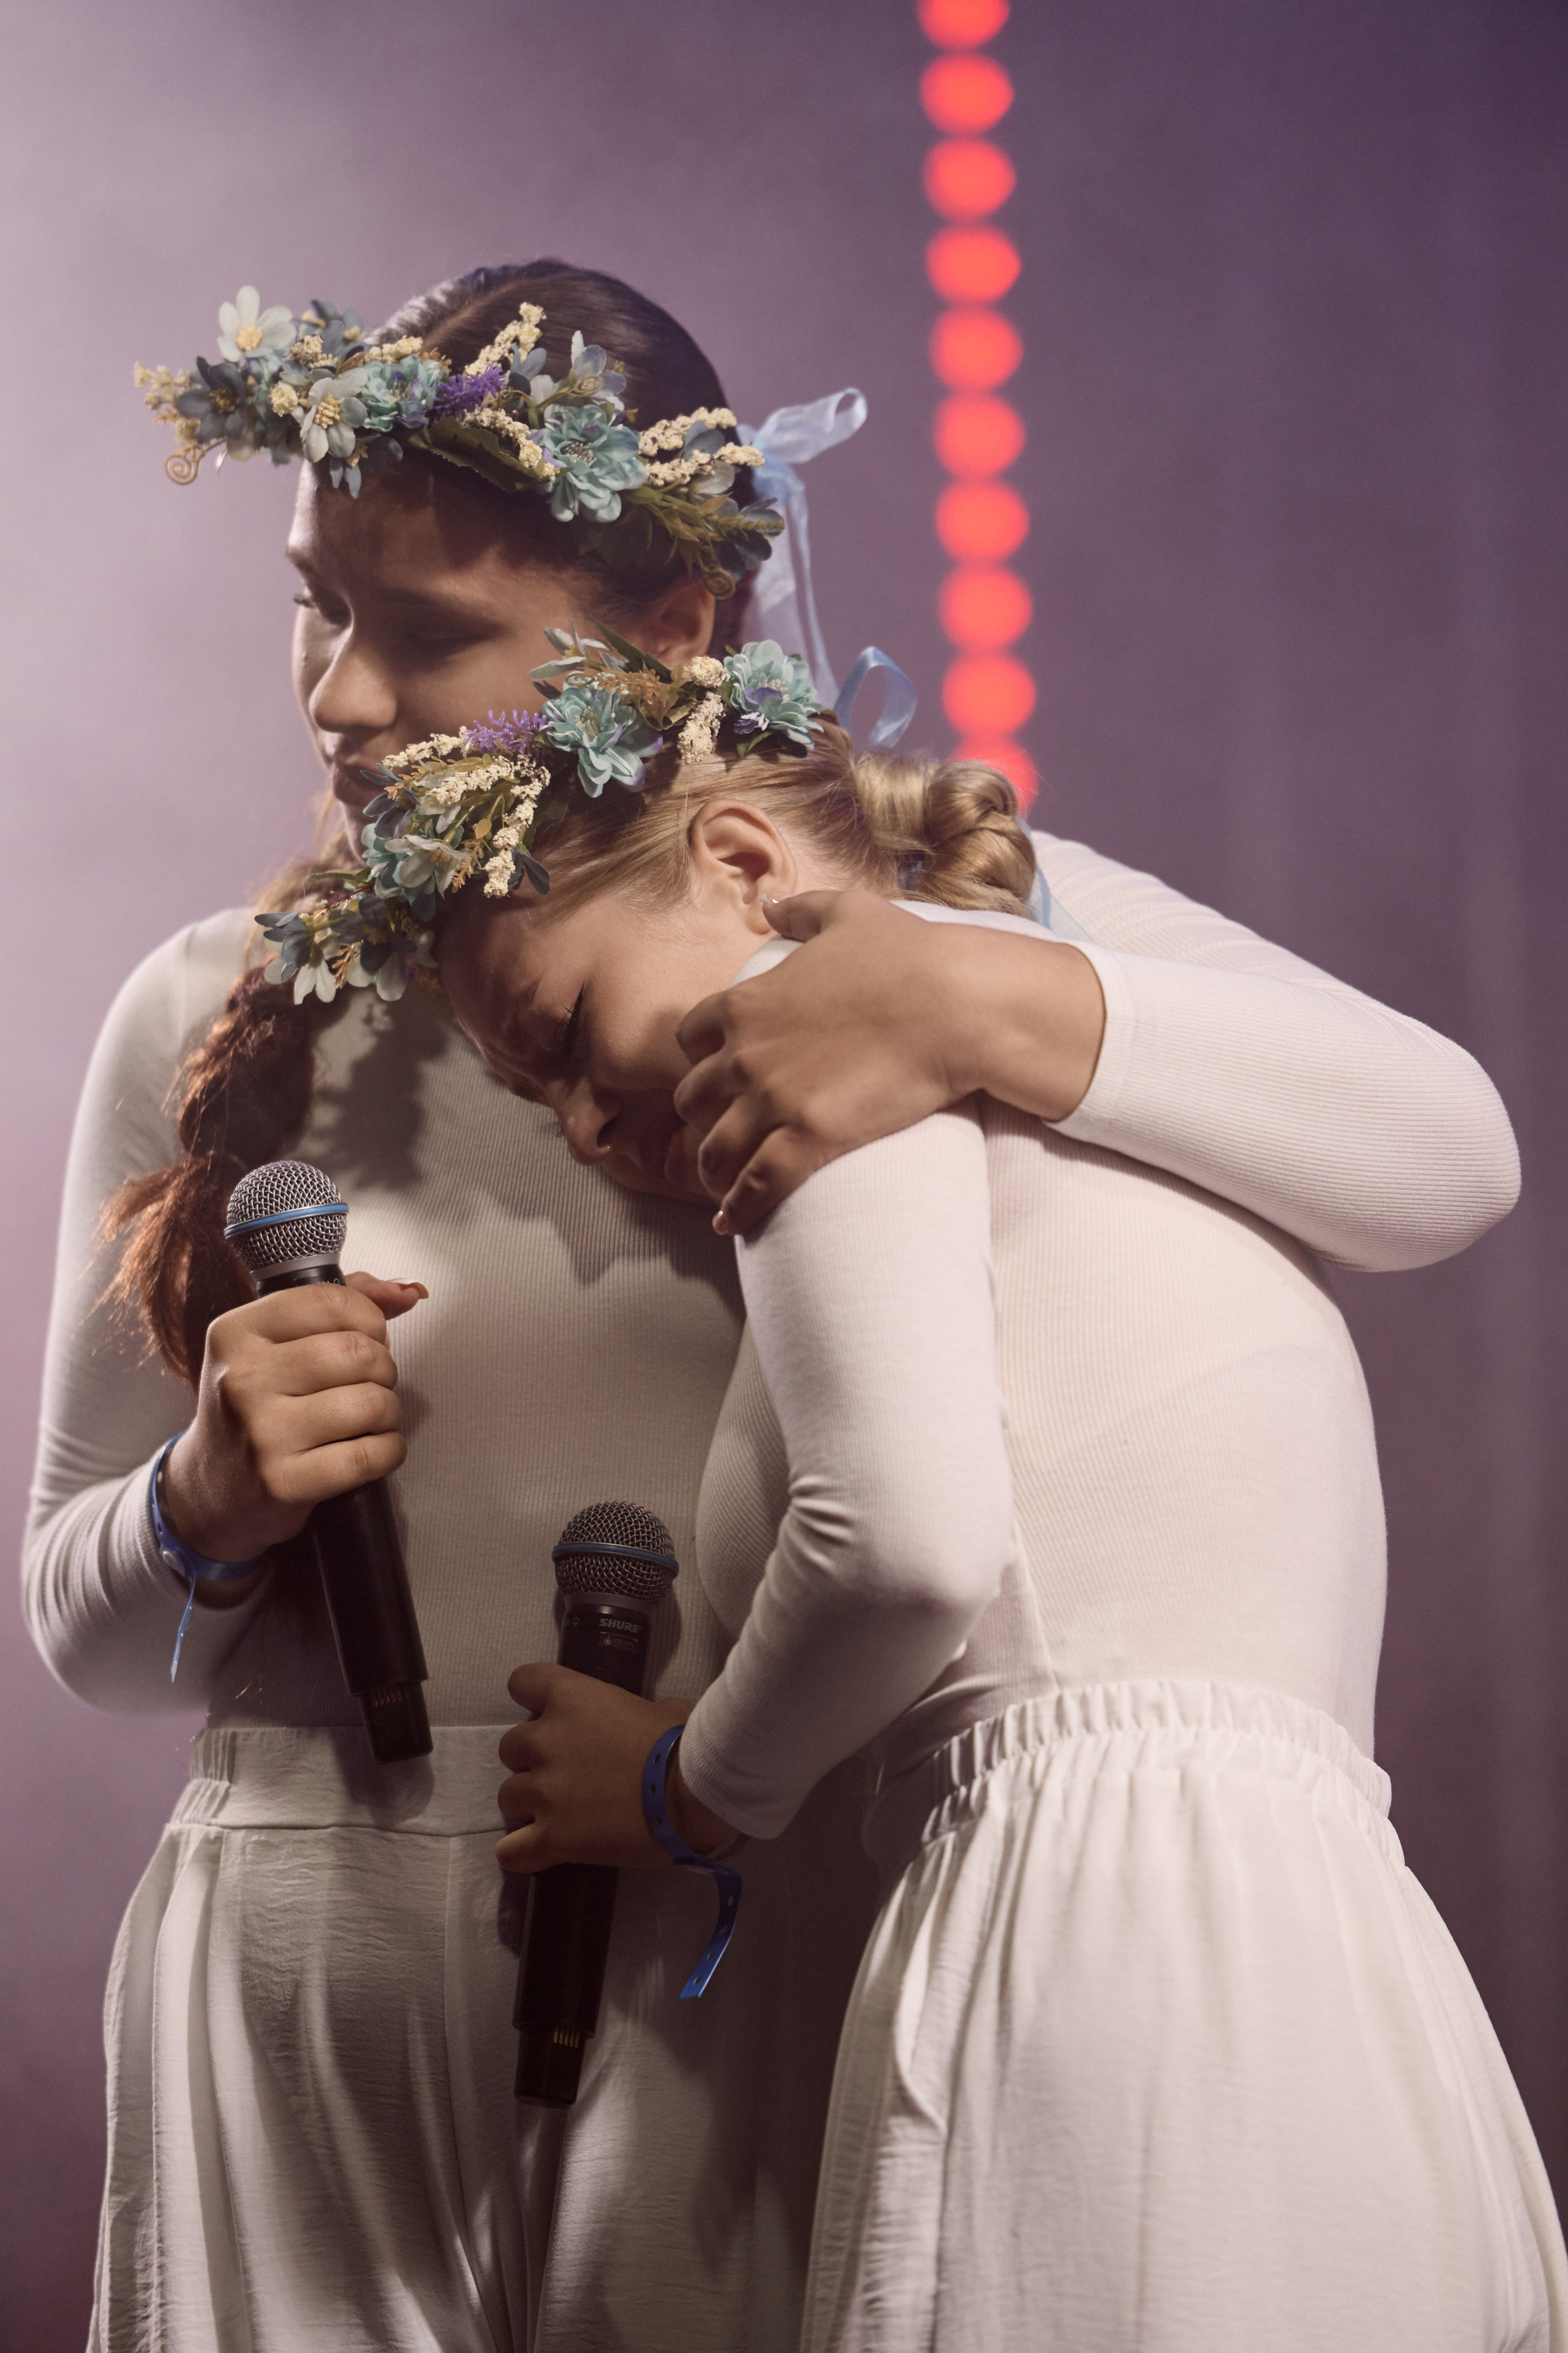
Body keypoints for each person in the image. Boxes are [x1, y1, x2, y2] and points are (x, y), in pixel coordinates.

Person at [23, 259, 1524, 2353]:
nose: (338, 698)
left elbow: (1448, 1151)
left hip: (717, 1983)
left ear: (677, 628)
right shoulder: (209, 1009)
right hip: (306, 1980)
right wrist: (198, 1506)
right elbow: (83, 1633)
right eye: (313, 602)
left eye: (426, 631)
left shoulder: (891, 910)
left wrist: (968, 991)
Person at [405, 663, 1567, 2353]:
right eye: (539, 1098)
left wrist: (683, 1783)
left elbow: (902, 1542)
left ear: (741, 862)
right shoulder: (1066, 1061)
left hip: (1096, 1947)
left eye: (570, 1036)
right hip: (1328, 1946)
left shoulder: (817, 1041)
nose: (582, 1125)